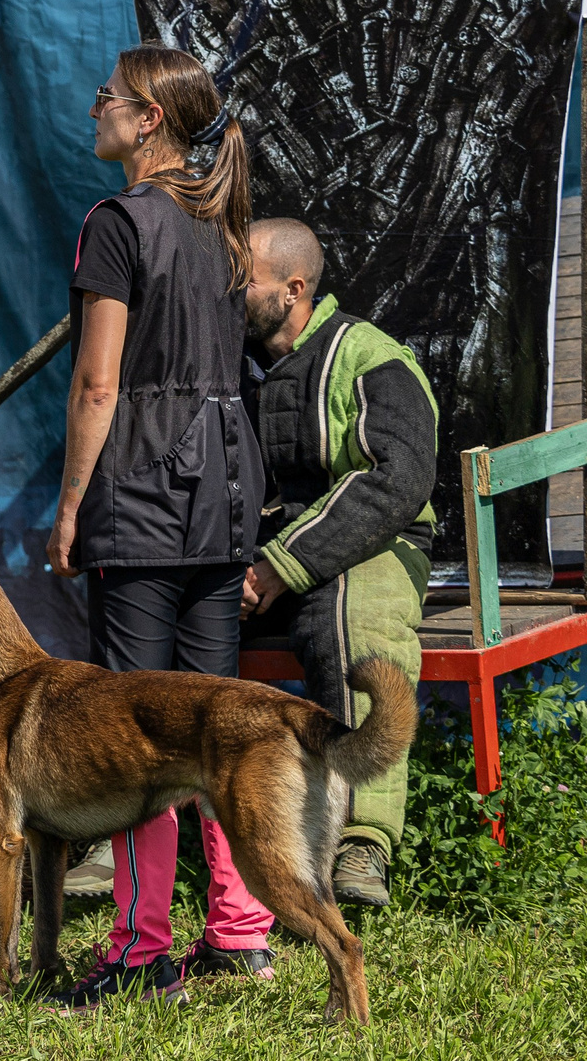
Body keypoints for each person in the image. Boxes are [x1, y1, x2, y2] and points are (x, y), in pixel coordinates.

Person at [44, 43, 275, 1010]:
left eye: (109, 96)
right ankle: (244, 932)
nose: (95, 105)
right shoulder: (222, 224)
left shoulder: (116, 223)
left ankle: (141, 952)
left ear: (147, 122)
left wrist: (66, 510)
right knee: (216, 721)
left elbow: (100, 384)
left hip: (140, 495)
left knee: (139, 733)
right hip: (224, 497)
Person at [239, 216, 435, 909]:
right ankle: (132, 834)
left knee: (353, 619)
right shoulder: (230, 360)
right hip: (260, 555)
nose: (231, 284)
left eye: (247, 274)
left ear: (293, 288)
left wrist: (279, 566)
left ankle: (362, 841)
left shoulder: (372, 356)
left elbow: (396, 478)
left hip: (380, 542)